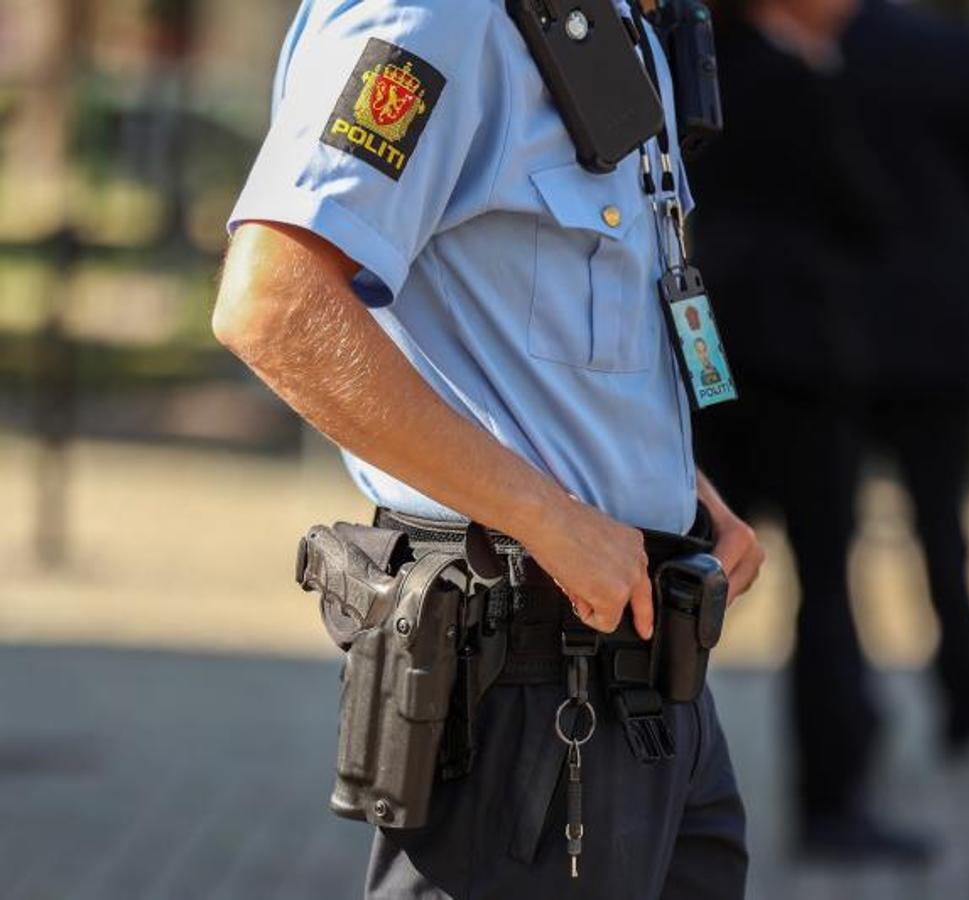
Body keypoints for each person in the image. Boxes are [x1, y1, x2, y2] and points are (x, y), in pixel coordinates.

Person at [211, 0, 764, 896]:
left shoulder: (620, 23)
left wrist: (680, 490)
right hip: (525, 684)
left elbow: (540, 328)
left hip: (650, 677)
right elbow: (274, 303)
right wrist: (546, 515)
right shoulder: (441, 15)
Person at [691, 0, 969, 864]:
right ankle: (835, 791)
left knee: (676, 567)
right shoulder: (811, 76)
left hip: (704, 350)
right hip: (810, 356)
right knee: (837, 575)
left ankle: (641, 784)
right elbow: (876, 197)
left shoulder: (683, 64)